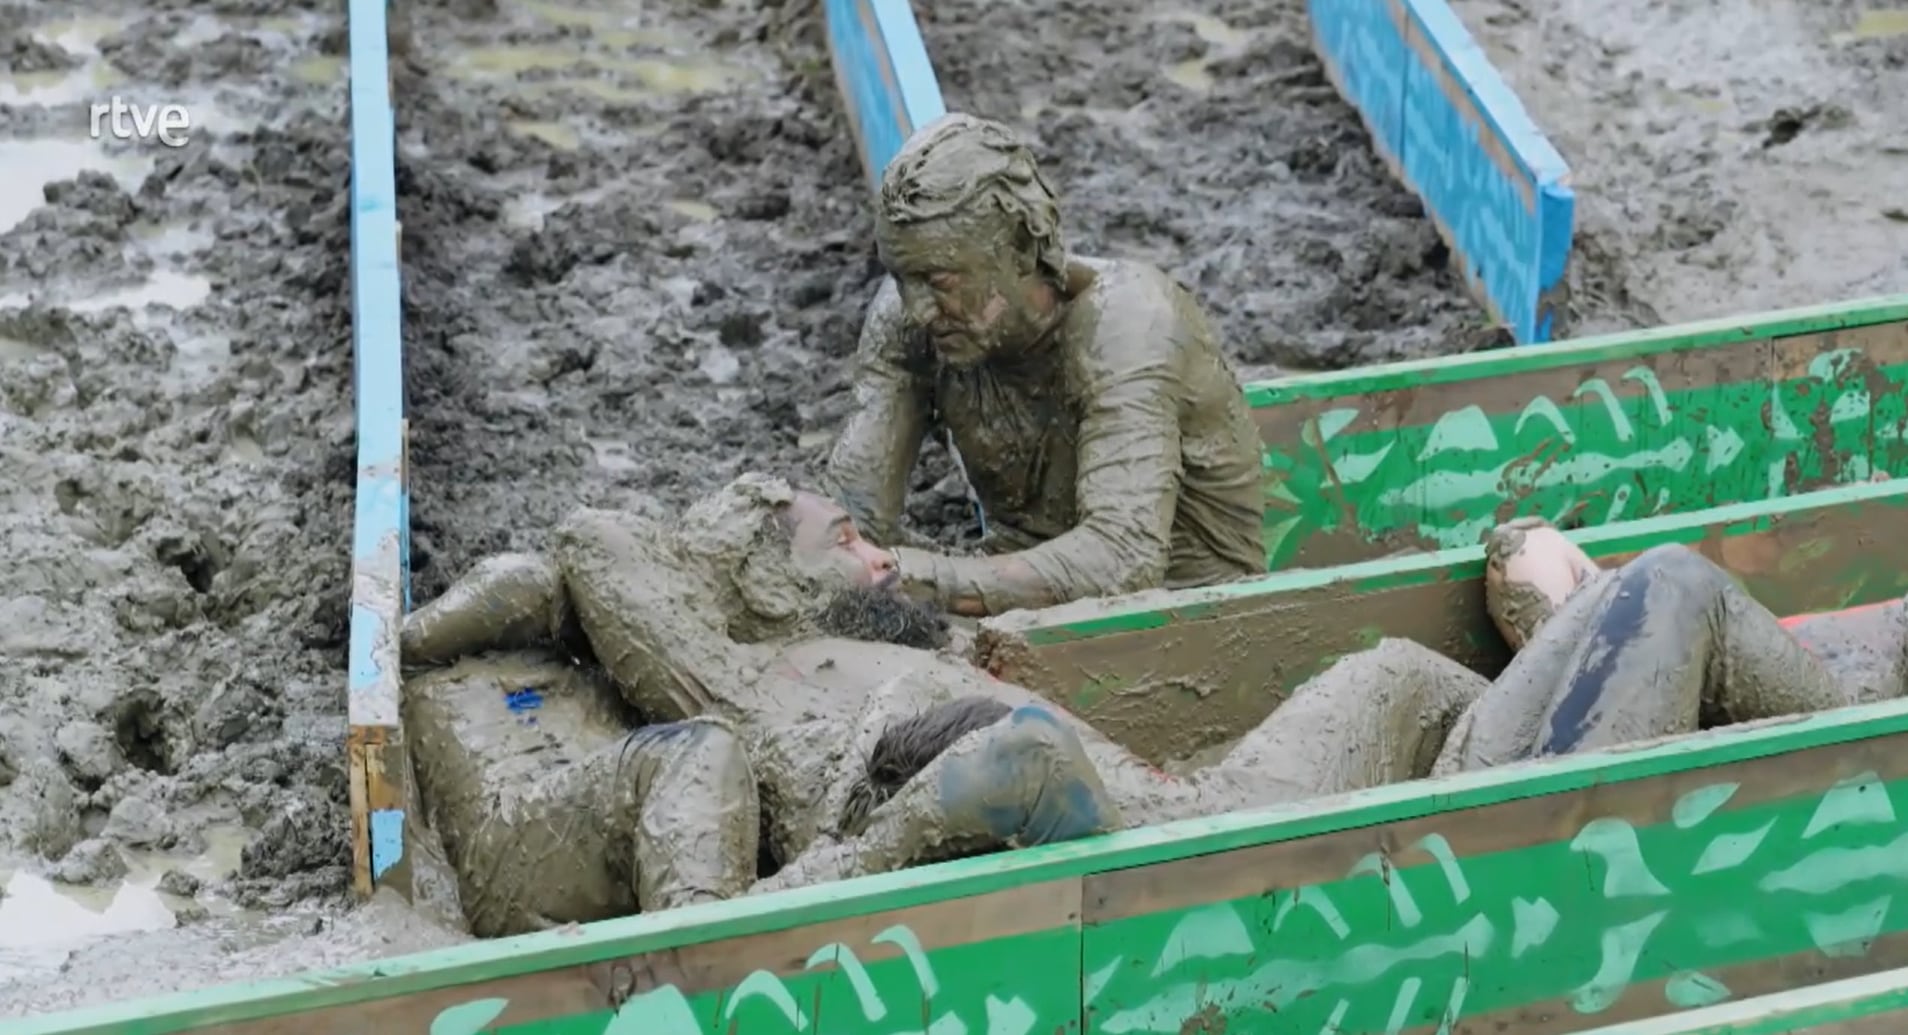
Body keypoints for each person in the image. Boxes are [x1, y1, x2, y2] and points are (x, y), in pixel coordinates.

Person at [760, 517, 1903, 889]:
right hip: (1487, 804)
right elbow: (1030, 760)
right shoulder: (1116, 806)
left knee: (1649, 582)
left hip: (1473, 772)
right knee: (1668, 584)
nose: (868, 548)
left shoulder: (1130, 797)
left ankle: (1574, 593)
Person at [826, 113, 1267, 618]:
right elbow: (856, 512)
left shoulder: (1128, 327)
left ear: (1021, 247)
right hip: (1021, 602)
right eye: (901, 277)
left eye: (940, 280)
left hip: (1183, 615)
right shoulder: (912, 319)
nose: (918, 309)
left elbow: (1121, 560)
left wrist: (907, 574)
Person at [402, 655, 756, 937]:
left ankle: (700, 957)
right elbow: (532, 582)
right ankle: (702, 964)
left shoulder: (577, 663)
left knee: (709, 763)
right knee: (701, 749)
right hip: (513, 838)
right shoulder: (443, 675)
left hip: (563, 822)